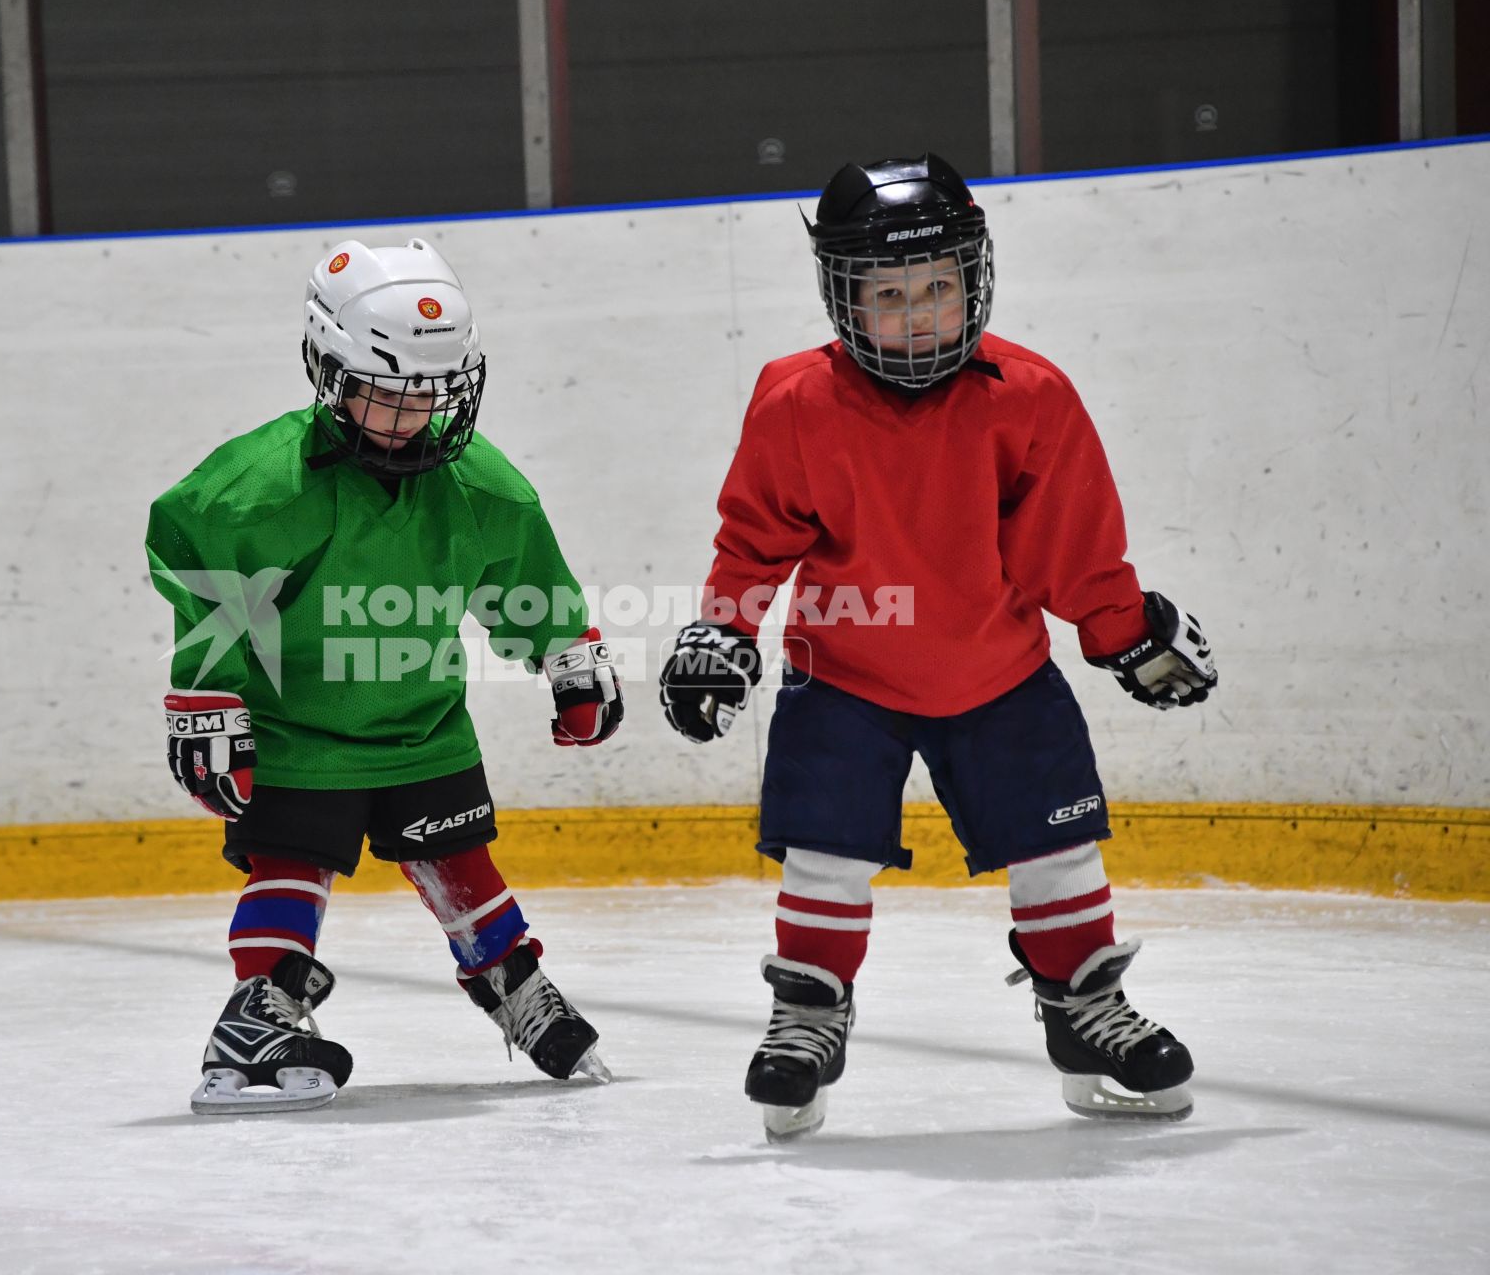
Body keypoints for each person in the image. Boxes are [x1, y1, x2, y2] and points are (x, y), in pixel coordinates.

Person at [658, 154, 1216, 1140]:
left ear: (974, 280)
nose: (917, 313)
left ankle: (1082, 1004)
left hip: (998, 671)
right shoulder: (795, 401)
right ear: (843, 296)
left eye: (937, 288)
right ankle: (809, 1014)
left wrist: (1129, 635)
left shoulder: (1029, 396)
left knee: (1058, 848)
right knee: (824, 852)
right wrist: (724, 629)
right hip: (846, 677)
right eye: (888, 294)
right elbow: (755, 536)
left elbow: (1074, 547)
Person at [148, 237, 622, 1112]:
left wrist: (567, 657)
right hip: (295, 725)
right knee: (291, 855)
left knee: (460, 855)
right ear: (328, 370)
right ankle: (264, 1002)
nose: (410, 415)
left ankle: (509, 982)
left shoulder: (478, 484)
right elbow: (201, 568)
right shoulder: (259, 487)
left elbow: (523, 577)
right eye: (385, 390)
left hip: (420, 720)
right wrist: (207, 697)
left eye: (429, 393)